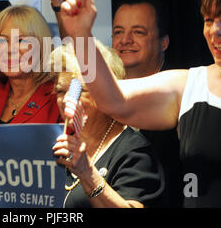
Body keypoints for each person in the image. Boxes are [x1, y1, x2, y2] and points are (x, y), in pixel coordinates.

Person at [59, 0, 221, 207]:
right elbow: (112, 100)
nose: (216, 30)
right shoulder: (189, 85)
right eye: (209, 20)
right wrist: (81, 34)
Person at [51, 42, 165, 208]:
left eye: (79, 90)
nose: (67, 99)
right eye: (61, 91)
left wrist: (88, 174)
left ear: (106, 93)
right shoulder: (60, 146)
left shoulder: (134, 152)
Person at [112, 0, 183, 207]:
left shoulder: (182, 94)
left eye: (138, 32)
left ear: (164, 42)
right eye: (118, 32)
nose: (125, 40)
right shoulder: (100, 96)